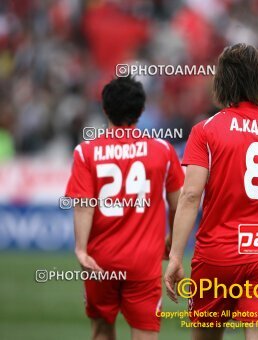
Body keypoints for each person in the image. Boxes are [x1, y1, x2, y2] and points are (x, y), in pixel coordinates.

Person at [164, 43, 258, 340]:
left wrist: (176, 255)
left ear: (223, 80)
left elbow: (190, 196)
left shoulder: (206, 130)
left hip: (217, 255)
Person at [65, 75, 184, 340]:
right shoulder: (163, 151)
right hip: (144, 262)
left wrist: (81, 250)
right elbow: (180, 203)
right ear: (141, 110)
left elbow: (83, 204)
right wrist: (172, 240)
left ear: (105, 109)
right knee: (145, 334)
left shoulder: (86, 153)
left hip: (100, 260)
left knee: (101, 330)